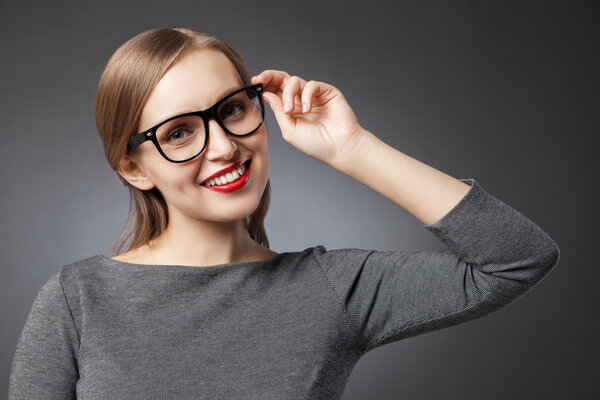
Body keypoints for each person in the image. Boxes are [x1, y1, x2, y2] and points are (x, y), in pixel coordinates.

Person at [8, 27, 560, 399]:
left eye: (231, 110)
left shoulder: (331, 288)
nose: (223, 146)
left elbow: (516, 259)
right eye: (179, 132)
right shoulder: (78, 299)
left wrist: (352, 147)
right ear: (134, 169)